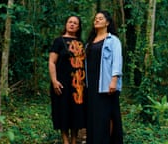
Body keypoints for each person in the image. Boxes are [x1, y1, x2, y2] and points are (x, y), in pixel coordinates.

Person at [85, 10, 123, 144]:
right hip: (92, 84)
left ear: (107, 23)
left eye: (100, 18)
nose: (96, 20)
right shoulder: (89, 42)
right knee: (93, 116)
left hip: (106, 84)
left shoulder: (113, 40)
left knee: (106, 116)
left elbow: (117, 61)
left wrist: (114, 80)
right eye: (95, 18)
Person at [48, 15, 86, 144]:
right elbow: (52, 62)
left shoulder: (82, 43)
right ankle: (65, 140)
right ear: (66, 24)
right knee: (63, 110)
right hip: (62, 82)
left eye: (75, 23)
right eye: (70, 22)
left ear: (79, 27)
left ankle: (74, 140)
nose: (72, 24)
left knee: (76, 111)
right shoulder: (59, 41)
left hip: (78, 84)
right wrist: (54, 81)